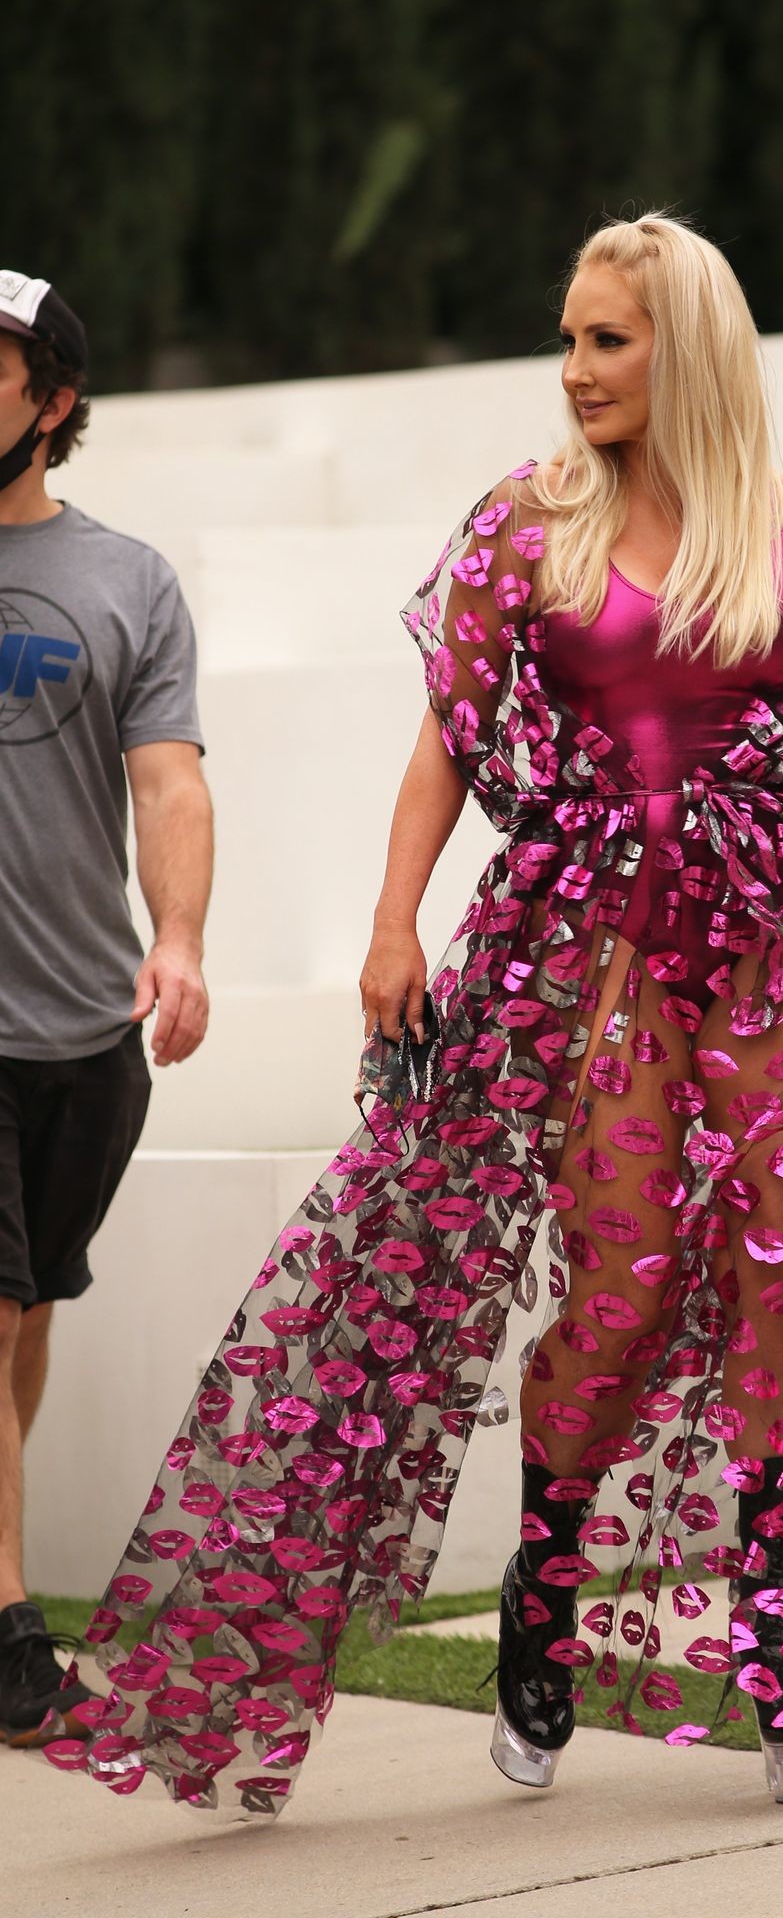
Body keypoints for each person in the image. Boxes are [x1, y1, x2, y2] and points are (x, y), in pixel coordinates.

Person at [46, 210, 783, 1819]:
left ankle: (782, 1645)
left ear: (688, 348)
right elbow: (448, 734)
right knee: (619, 1289)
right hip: (591, 949)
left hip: (780, 941)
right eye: (569, 338)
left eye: (607, 339)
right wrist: (391, 923)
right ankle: (545, 1589)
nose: (574, 369)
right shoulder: (528, 521)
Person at [0, 271, 213, 1747]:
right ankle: (13, 1631)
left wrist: (179, 940)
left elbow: (170, 779)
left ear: (54, 401)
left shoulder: (130, 580)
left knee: (24, 1314)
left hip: (85, 1030)